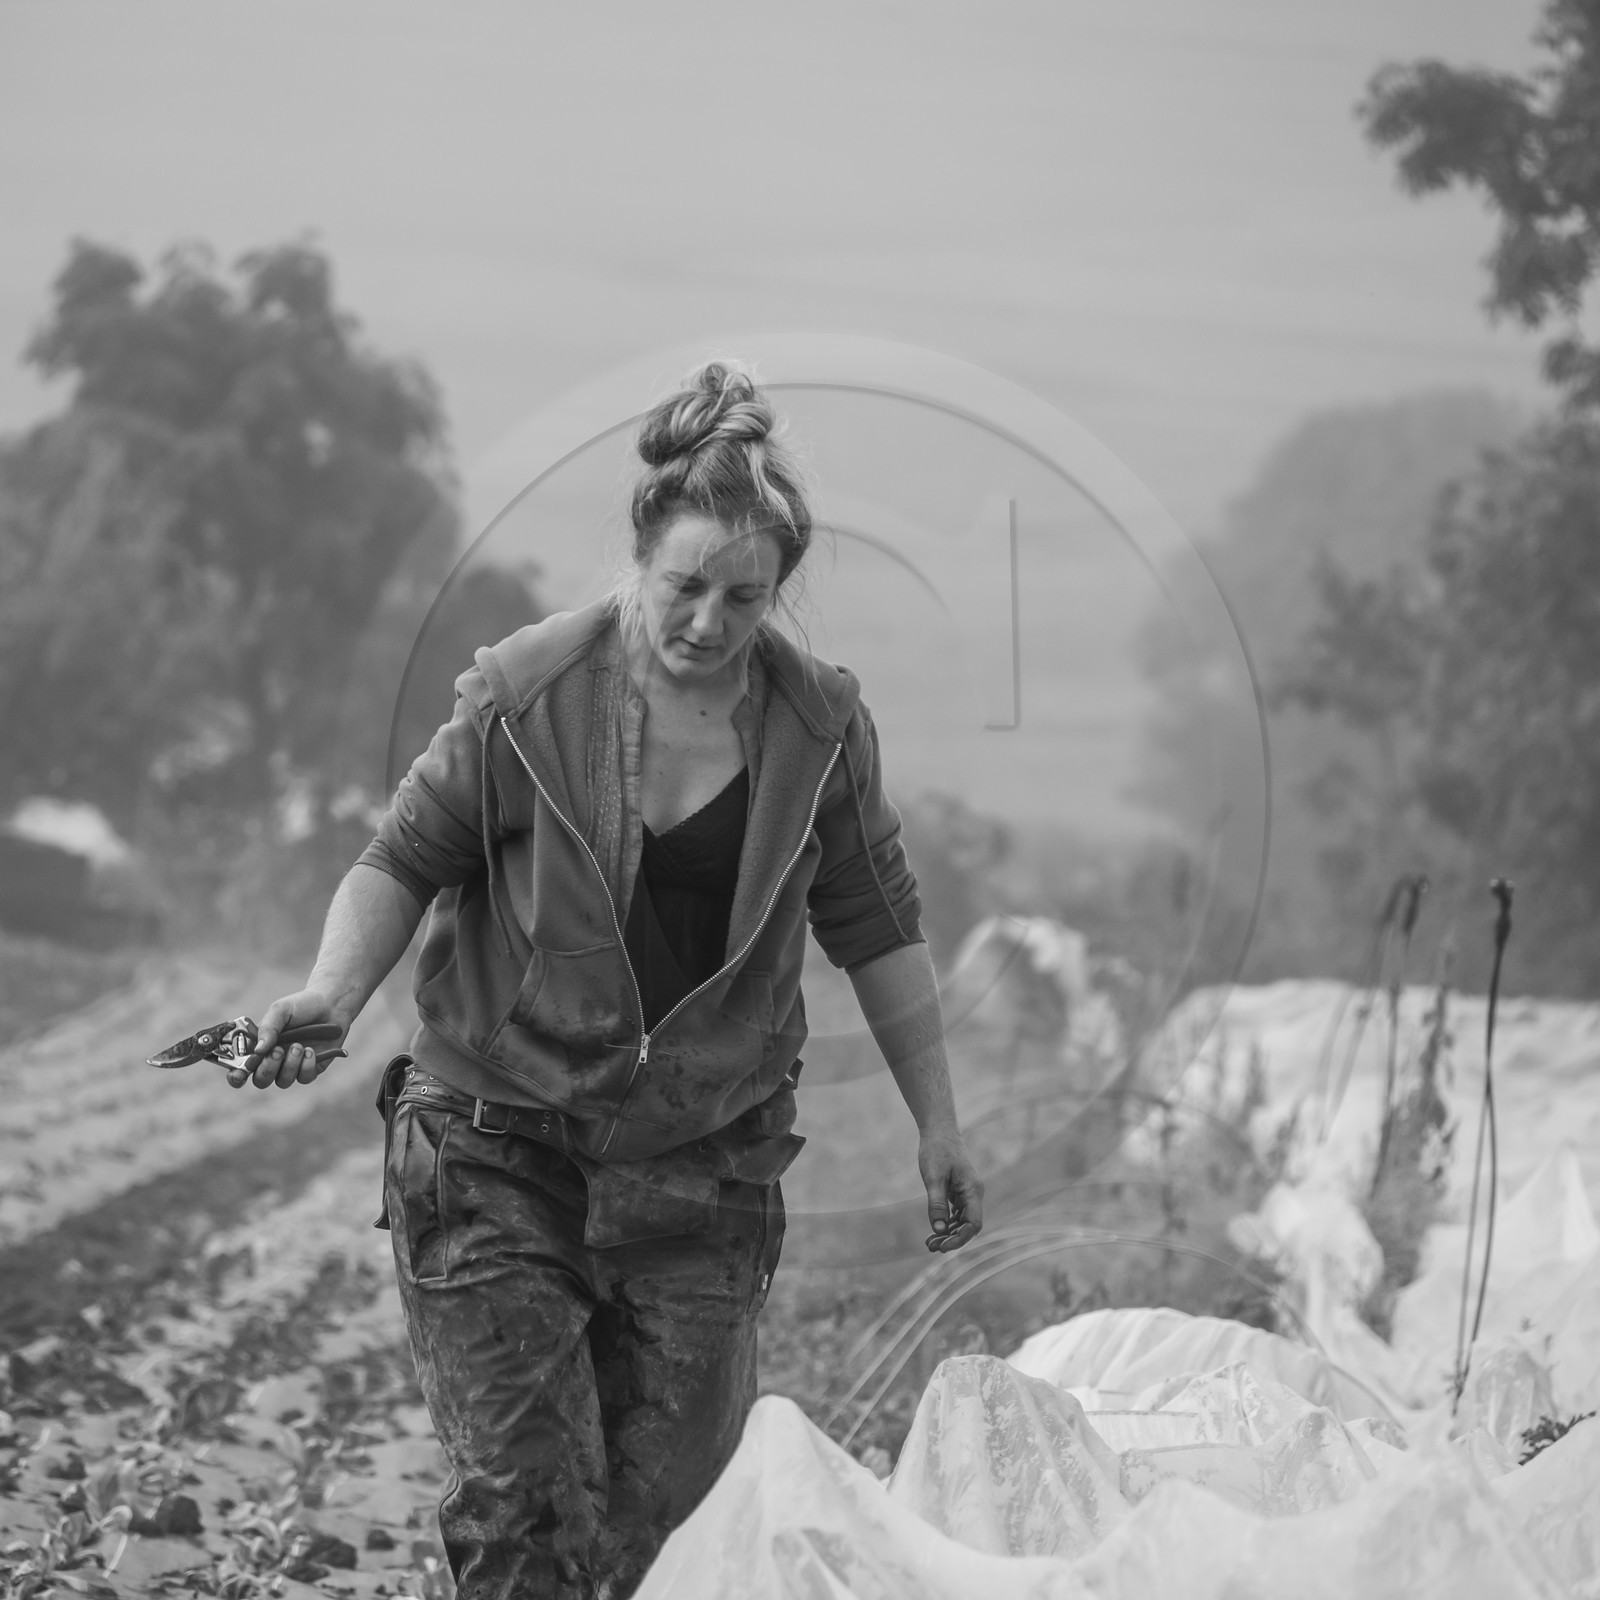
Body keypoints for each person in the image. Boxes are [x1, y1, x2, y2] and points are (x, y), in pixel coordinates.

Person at [232, 361, 984, 1600]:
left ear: (778, 591)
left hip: (704, 1173)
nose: (708, 622)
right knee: (527, 1512)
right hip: (493, 1143)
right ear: (641, 556)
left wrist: (938, 1122)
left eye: (745, 597)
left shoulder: (820, 734)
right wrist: (333, 989)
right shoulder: (526, 695)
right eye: (685, 587)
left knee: (664, 1539)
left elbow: (880, 927)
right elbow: (403, 857)